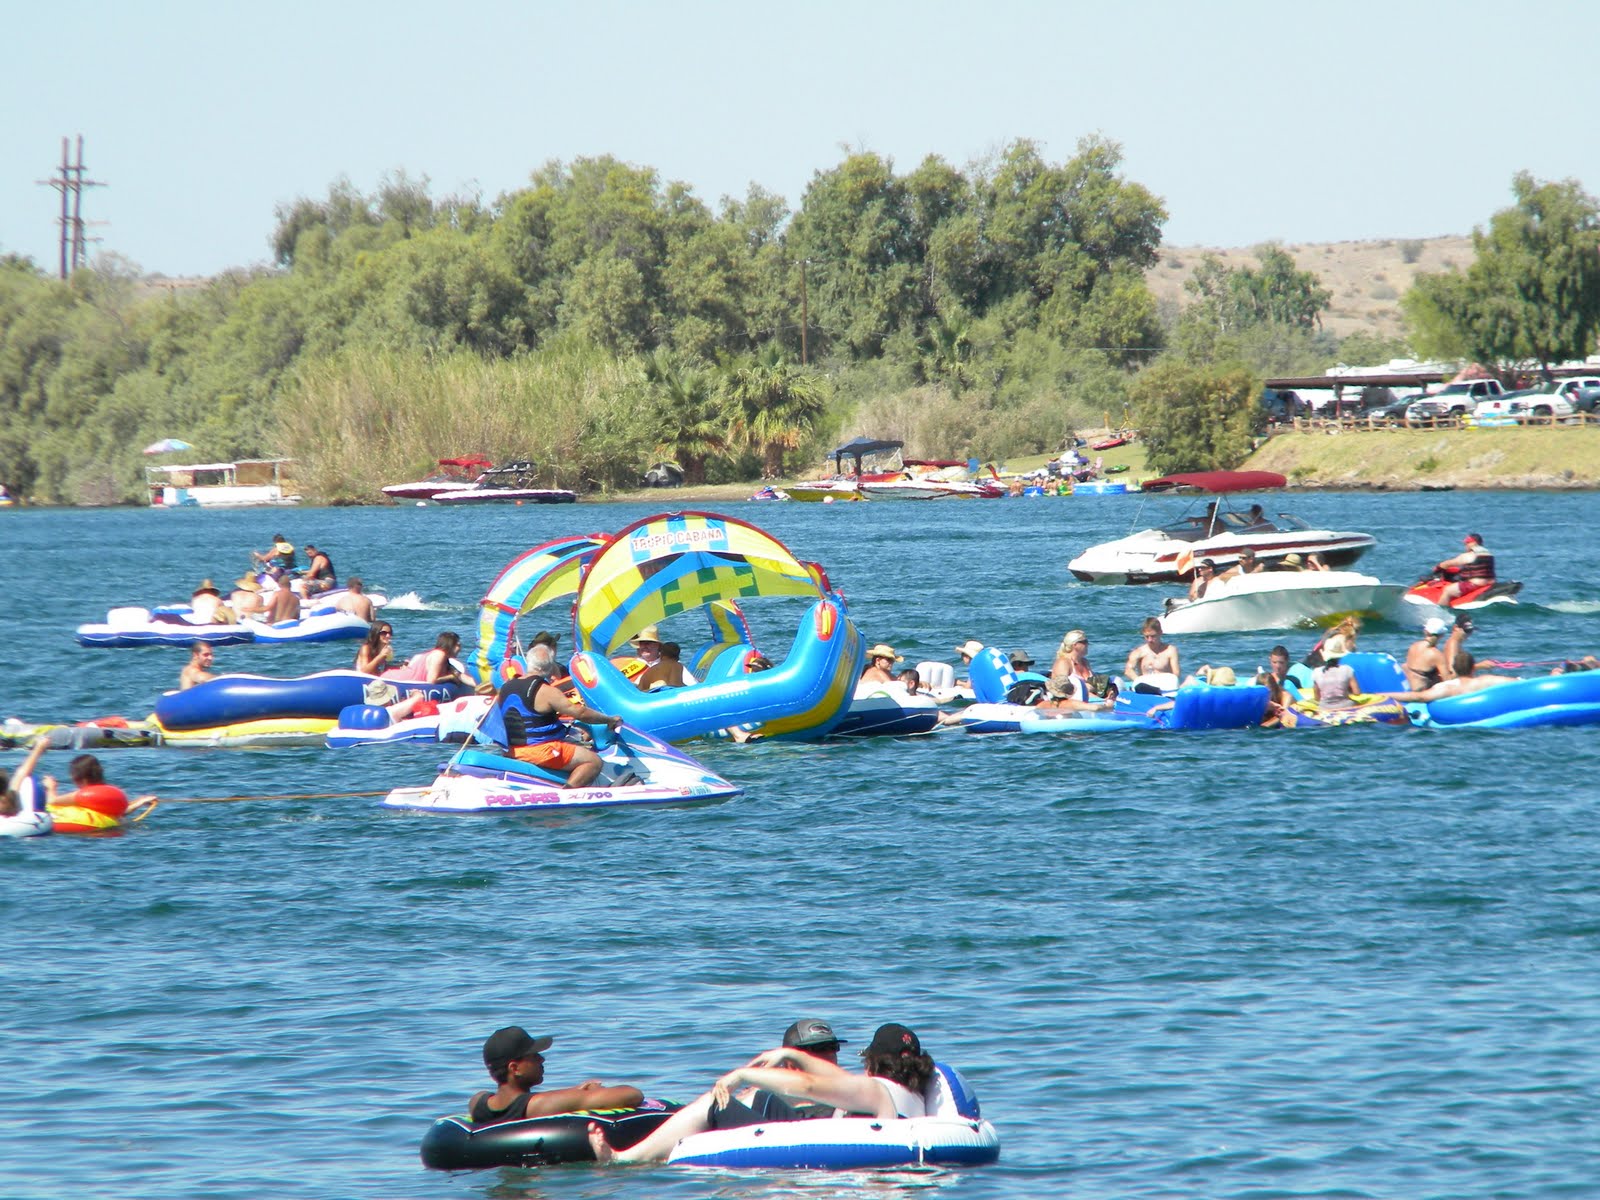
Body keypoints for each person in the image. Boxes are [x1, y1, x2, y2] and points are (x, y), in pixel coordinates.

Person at [589, 1023, 939, 1164]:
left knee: (714, 1103)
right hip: (848, 1151)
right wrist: (788, 1058)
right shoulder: (919, 1096)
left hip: (824, 1160)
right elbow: (829, 1083)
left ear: (875, 1062)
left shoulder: (874, 1089)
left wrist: (741, 1074)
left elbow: (812, 1086)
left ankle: (624, 1158)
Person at [494, 643, 621, 786]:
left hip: (511, 750)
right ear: (550, 666)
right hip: (541, 751)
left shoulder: (505, 688)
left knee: (576, 736)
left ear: (528, 662)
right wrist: (609, 719)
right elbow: (581, 713)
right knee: (593, 761)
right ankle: (568, 795)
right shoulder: (546, 690)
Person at [468, 1026, 644, 1126]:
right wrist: (591, 1091)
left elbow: (518, 1102)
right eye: (534, 1056)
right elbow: (632, 1094)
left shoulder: (478, 1102)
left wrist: (573, 1090)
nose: (541, 1059)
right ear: (515, 1068)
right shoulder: (537, 1106)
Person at [1381, 648, 1520, 702]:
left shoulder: (1447, 687)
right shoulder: (1485, 681)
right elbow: (1516, 681)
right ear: (1473, 668)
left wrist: (1384, 695)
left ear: (1454, 669)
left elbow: (1418, 696)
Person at [1435, 532, 1495, 605]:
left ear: (1474, 543)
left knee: (1447, 590)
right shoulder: (1489, 553)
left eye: (1467, 543)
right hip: (1490, 583)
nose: (1465, 545)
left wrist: (1439, 567)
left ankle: (1441, 612)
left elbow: (1449, 563)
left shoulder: (1469, 555)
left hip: (1475, 585)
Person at [1309, 633, 1359, 710]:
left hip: (1324, 708)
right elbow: (1357, 693)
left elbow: (1317, 697)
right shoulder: (1347, 669)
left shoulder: (1316, 672)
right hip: (1346, 706)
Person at [1404, 617, 1453, 691]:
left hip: (1409, 687)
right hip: (1422, 692)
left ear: (1425, 631)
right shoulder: (1436, 654)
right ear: (1442, 635)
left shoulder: (1413, 646)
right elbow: (1448, 681)